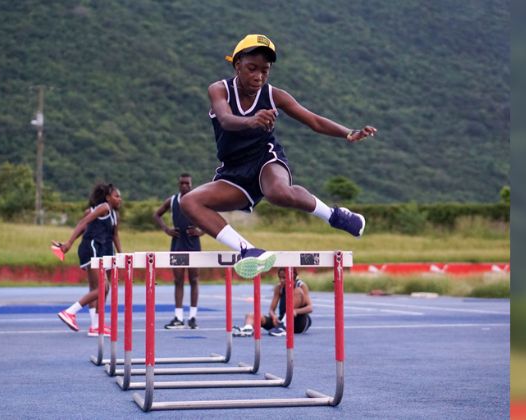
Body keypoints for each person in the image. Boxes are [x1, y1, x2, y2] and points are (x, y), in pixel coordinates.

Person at [179, 34, 377, 279]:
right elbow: (225, 120)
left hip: (266, 160)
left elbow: (313, 120)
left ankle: (335, 216)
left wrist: (349, 133)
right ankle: (248, 250)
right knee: (189, 201)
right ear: (237, 64)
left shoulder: (274, 95)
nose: (258, 76)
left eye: (265, 70)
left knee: (279, 193)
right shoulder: (219, 89)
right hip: (234, 172)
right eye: (252, 68)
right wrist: (251, 120)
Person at [51, 183, 123, 336]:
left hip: (105, 250)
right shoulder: (103, 208)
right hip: (93, 248)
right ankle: (70, 312)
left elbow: (115, 235)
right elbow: (83, 224)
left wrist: (121, 255)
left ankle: (96, 325)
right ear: (108, 197)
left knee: (99, 290)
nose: (120, 199)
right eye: (117, 196)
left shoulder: (114, 215)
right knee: (103, 288)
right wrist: (68, 243)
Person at [153, 173, 204, 329]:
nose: (184, 186)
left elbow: (213, 217)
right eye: (182, 183)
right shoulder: (173, 200)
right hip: (178, 244)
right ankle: (178, 317)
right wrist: (166, 230)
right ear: (178, 184)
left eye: (187, 183)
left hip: (193, 244)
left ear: (191, 184)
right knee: (178, 280)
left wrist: (201, 231)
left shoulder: (198, 199)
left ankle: (193, 317)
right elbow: (157, 214)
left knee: (194, 279)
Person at [233, 268, 313, 337]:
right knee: (251, 315)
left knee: (297, 292)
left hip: (299, 322)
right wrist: (274, 316)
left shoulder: (301, 286)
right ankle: (248, 329)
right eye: (280, 278)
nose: (282, 280)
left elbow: (310, 308)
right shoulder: (279, 288)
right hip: (281, 320)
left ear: (292, 276)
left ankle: (284, 326)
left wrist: (295, 311)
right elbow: (271, 309)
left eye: (284, 278)